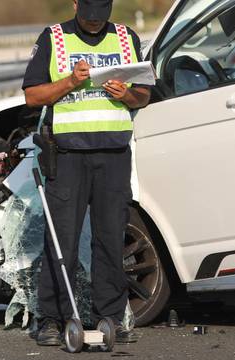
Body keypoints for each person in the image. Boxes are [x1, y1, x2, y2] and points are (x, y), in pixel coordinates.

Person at [22, 0, 151, 347]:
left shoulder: (126, 38)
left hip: (113, 155)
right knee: (61, 239)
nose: (94, 21)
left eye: (101, 13)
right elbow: (33, 96)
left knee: (110, 238)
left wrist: (127, 95)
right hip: (67, 156)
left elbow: (143, 95)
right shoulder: (54, 39)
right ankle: (50, 319)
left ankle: (109, 316)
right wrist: (68, 82)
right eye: (88, 12)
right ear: (76, 3)